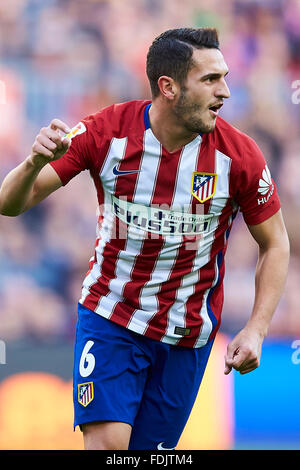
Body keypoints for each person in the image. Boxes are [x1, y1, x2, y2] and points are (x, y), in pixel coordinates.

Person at [0, 28, 289, 450]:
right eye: (210, 80)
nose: (225, 91)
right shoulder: (106, 132)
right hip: (111, 315)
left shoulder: (239, 157)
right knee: (110, 446)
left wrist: (257, 329)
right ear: (168, 87)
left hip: (185, 336)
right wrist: (33, 162)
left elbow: (276, 243)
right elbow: (10, 205)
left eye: (224, 77)